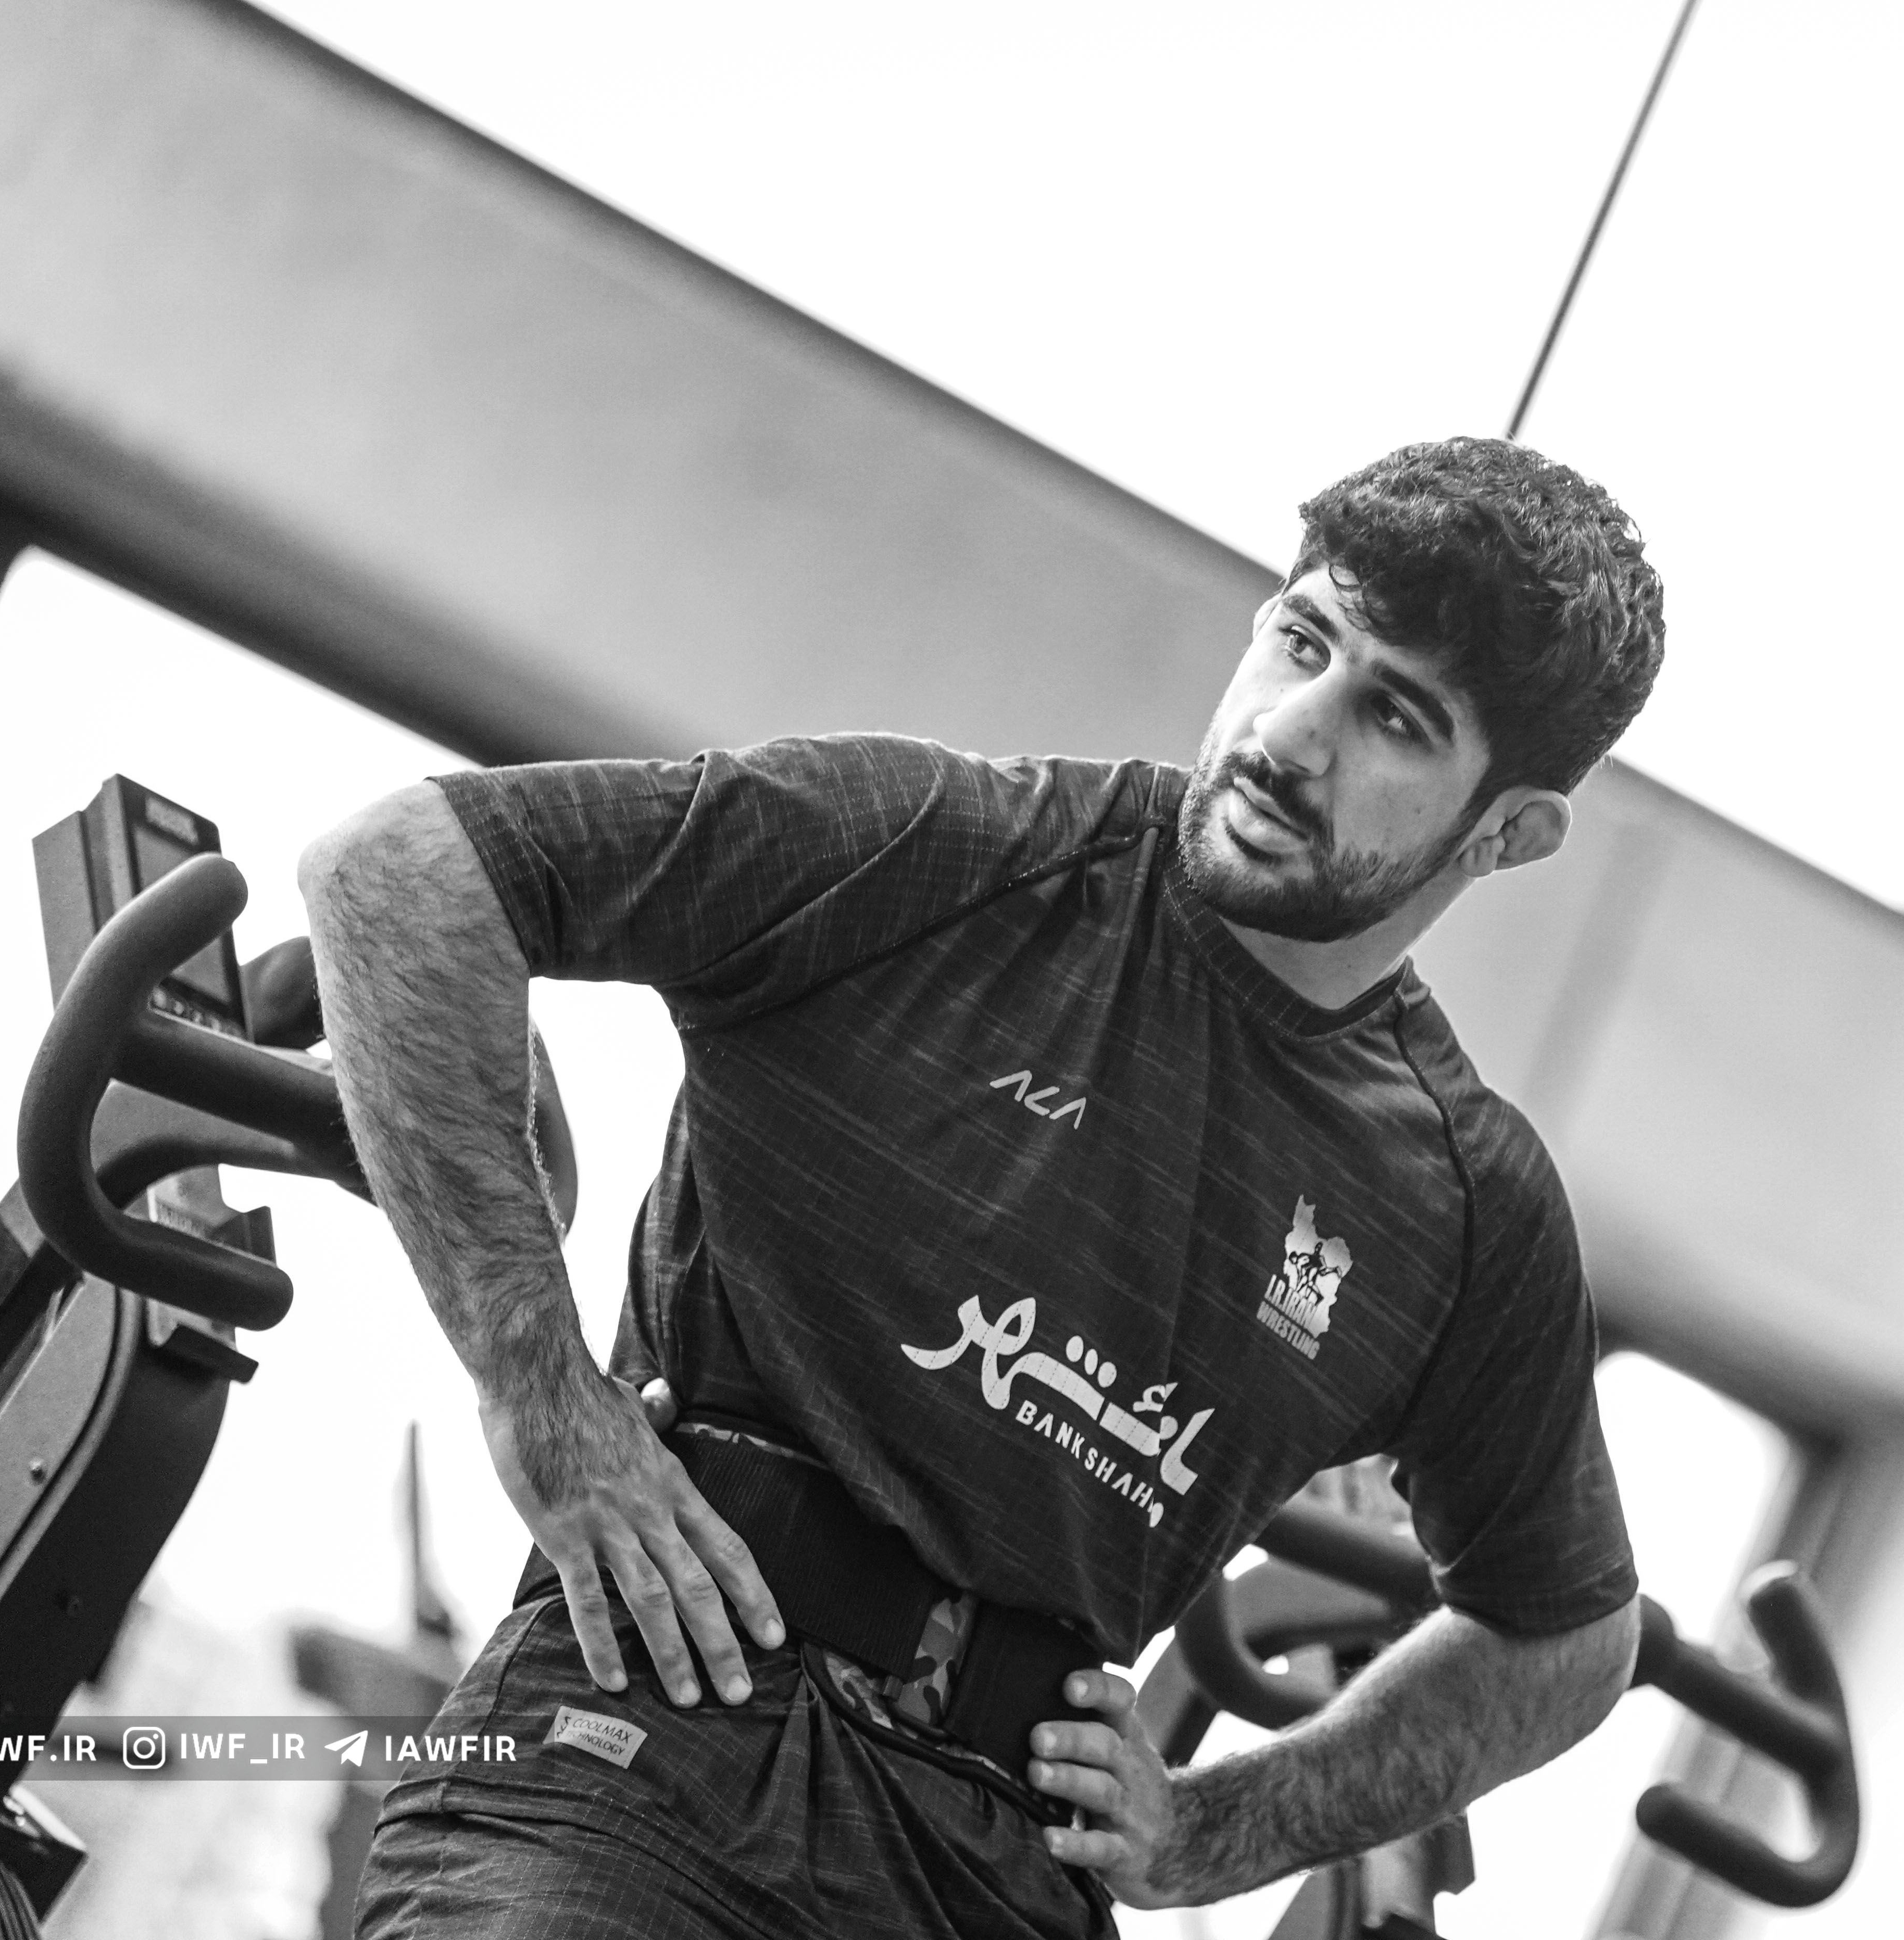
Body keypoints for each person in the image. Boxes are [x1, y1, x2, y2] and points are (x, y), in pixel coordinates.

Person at [300, 435, 1666, 1938]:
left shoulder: (1464, 1206)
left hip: (1000, 1873)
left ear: (1510, 830)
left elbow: (1564, 1638)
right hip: (650, 1749)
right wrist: (542, 1393)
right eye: (1301, 641)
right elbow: (401, 872)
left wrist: (1219, 1830)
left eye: (1395, 716)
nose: (1292, 734)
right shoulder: (948, 853)